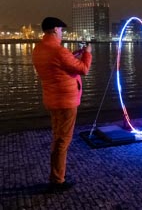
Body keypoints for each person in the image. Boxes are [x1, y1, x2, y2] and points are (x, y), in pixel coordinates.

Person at [32, 17, 92, 192]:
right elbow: (84, 69)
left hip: (52, 100)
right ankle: (58, 180)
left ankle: (55, 175)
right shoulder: (59, 51)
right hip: (66, 102)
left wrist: (73, 54)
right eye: (61, 30)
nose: (62, 33)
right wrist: (87, 53)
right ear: (54, 30)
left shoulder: (39, 49)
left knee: (57, 137)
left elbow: (59, 64)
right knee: (62, 140)